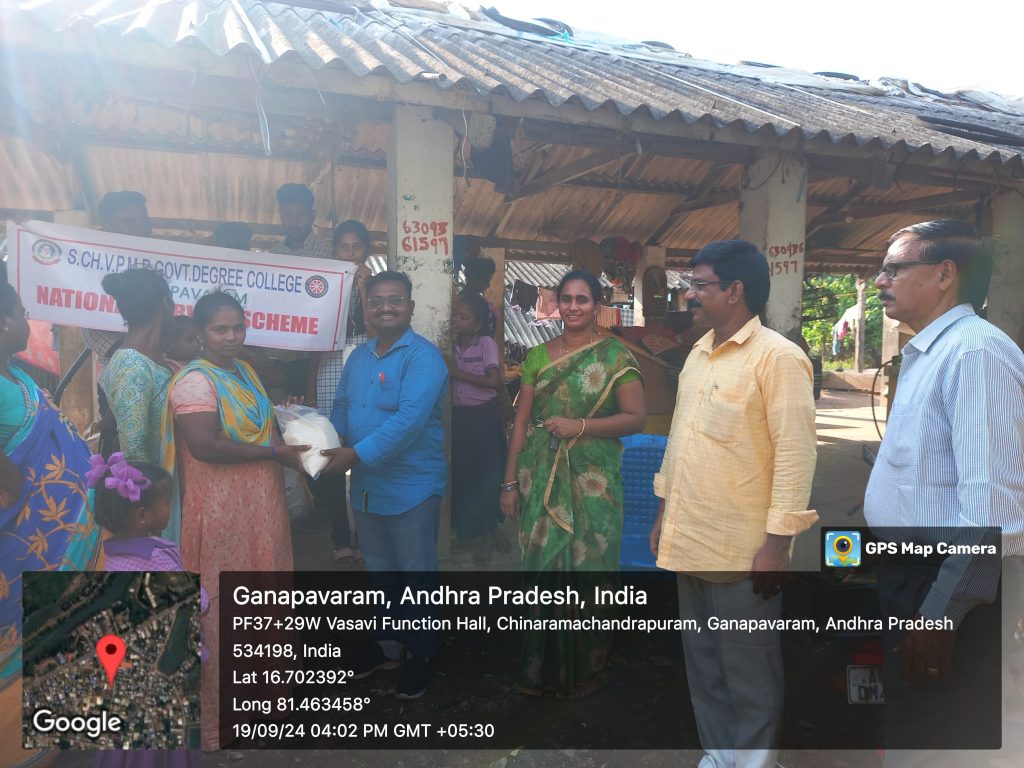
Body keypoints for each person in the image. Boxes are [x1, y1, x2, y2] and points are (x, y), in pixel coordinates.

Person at [648, 240, 817, 768]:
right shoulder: (698, 353)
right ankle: (720, 756)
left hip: (743, 551)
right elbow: (679, 442)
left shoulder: (778, 357)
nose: (690, 294)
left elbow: (795, 456)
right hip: (690, 536)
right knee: (704, 663)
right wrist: (663, 513)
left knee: (748, 670)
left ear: (735, 290)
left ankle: (754, 763)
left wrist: (777, 545)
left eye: (700, 285)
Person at [864, 220, 1024, 765]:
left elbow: (990, 506)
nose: (881, 280)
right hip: (915, 572)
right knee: (918, 723)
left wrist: (940, 614)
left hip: (943, 581)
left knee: (938, 734)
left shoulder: (974, 354)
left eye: (894, 268)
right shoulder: (935, 350)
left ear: (944, 275)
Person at [160, 291, 308, 749]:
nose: (230, 336)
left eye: (237, 327)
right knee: (223, 610)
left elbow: (266, 426)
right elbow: (205, 446)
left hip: (262, 508)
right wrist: (275, 454)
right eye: (219, 329)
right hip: (221, 511)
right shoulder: (193, 382)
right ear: (200, 334)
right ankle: (224, 721)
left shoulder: (245, 370)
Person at [501, 269, 646, 699]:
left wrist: (579, 425)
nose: (574, 307)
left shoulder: (616, 356)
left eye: (583, 299)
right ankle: (539, 668)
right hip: (538, 474)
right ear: (557, 304)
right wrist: (509, 483)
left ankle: (584, 669)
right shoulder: (537, 357)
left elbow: (635, 418)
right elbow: (521, 422)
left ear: (597, 305)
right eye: (566, 299)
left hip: (594, 479)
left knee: (591, 571)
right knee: (540, 571)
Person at [320, 271, 448, 700]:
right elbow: (342, 405)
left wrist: (354, 455)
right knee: (380, 572)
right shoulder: (358, 357)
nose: (386, 307)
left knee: (416, 574)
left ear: (410, 307)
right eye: (377, 301)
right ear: (367, 309)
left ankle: (423, 653)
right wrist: (326, 441)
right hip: (367, 488)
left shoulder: (423, 357)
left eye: (395, 300)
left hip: (412, 486)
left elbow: (410, 420)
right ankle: (390, 646)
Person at [0, 282, 101, 767]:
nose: (27, 320)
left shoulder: (16, 373)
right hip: (24, 545)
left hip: (62, 544)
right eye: (22, 311)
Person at [88, 453, 204, 768]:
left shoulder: (109, 561)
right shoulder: (158, 560)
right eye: (166, 502)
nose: (170, 507)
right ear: (143, 516)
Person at [302, 220, 372, 562]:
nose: (349, 253)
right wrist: (310, 386)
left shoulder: (374, 287)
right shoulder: (324, 287)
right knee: (330, 452)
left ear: (366, 251)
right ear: (334, 251)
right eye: (343, 247)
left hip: (364, 372)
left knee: (363, 451)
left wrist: (364, 287)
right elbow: (316, 338)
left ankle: (364, 535)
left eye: (356, 246)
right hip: (329, 370)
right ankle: (341, 537)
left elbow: (375, 333)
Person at [98, 269, 179, 539]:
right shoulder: (133, 367)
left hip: (166, 490)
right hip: (155, 503)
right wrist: (151, 516)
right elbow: (134, 453)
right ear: (165, 303)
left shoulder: (152, 359)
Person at [449, 292, 509, 564]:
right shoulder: (452, 346)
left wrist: (458, 374)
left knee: (487, 475)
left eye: (463, 317)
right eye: (455, 315)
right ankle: (489, 530)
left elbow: (494, 381)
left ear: (477, 324)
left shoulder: (486, 343)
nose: (456, 320)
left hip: (483, 419)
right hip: (461, 418)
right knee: (468, 476)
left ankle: (487, 537)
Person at [462, 257, 498, 335]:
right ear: (475, 278)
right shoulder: (470, 300)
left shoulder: (466, 297)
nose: (488, 285)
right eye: (486, 280)